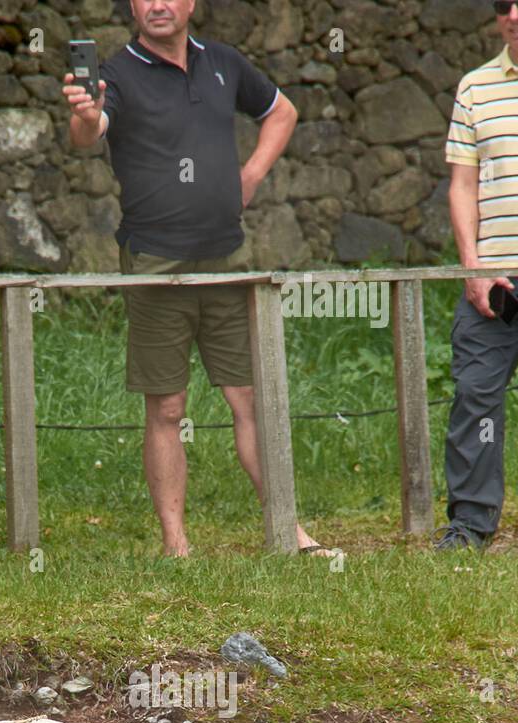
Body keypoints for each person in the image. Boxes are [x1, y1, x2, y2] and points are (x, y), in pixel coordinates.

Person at [60, 0, 330, 558]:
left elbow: (283, 113)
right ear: (133, 6)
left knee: (250, 398)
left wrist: (249, 176)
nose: (158, 4)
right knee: (167, 408)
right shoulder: (116, 73)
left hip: (228, 261)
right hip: (155, 265)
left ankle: (288, 530)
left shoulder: (223, 63)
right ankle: (176, 545)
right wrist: (86, 116)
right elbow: (89, 133)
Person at [442, 1, 518, 551]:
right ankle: (471, 526)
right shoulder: (475, 87)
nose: (516, 14)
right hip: (496, 278)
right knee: (474, 393)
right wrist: (473, 268)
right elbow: (461, 185)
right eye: (503, 4)